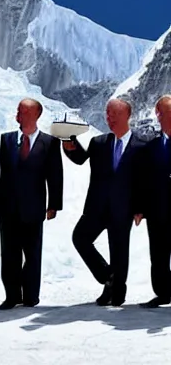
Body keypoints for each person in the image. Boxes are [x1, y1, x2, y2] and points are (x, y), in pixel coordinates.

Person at [63, 98, 145, 307]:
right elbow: (80, 157)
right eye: (107, 114)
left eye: (114, 114)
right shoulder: (98, 143)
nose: (109, 118)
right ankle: (109, 277)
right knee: (80, 238)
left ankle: (117, 292)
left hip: (123, 209)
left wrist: (140, 208)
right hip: (96, 207)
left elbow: (145, 181)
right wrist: (70, 147)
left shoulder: (141, 146)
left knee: (119, 251)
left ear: (127, 116)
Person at [0, 98, 63, 309]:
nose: (18, 114)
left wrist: (54, 205)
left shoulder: (50, 143)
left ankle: (31, 296)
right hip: (8, 207)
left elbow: (55, 175)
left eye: (22, 111)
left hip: (34, 207)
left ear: (35, 115)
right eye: (18, 110)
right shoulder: (6, 141)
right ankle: (12, 296)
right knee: (9, 254)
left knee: (32, 254)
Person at [138, 95, 171, 308]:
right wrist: (140, 208)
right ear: (158, 115)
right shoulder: (151, 148)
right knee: (158, 254)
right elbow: (143, 181)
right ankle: (163, 293)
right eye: (164, 112)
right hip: (157, 209)